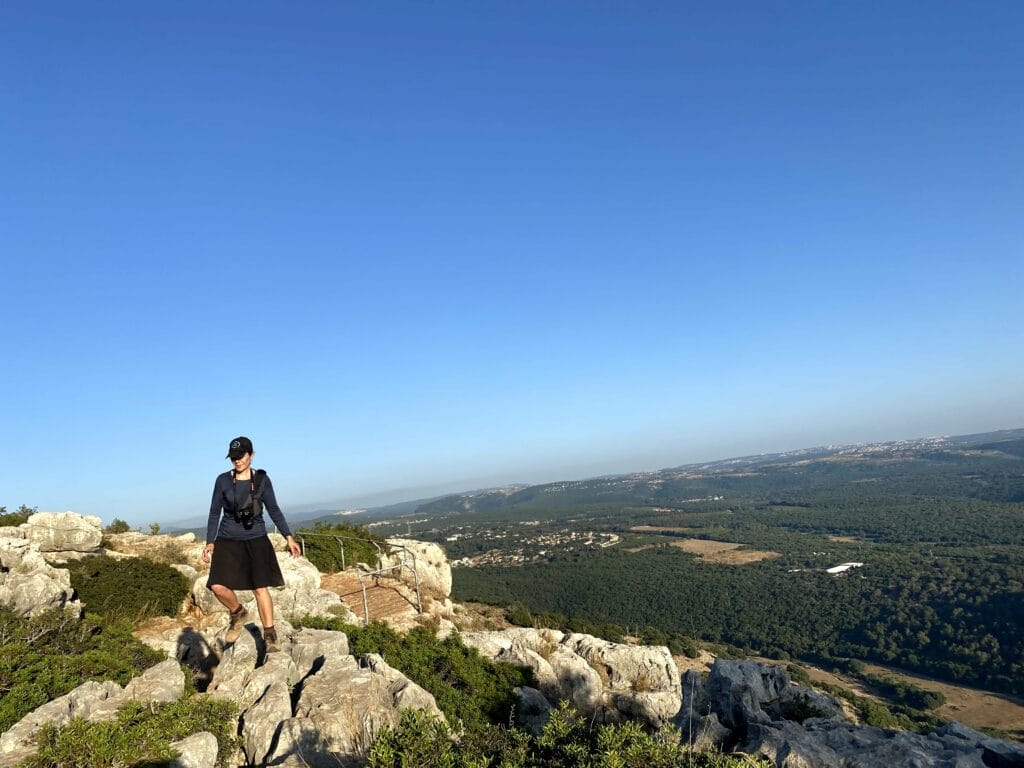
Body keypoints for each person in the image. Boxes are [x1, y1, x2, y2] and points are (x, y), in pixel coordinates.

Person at [202, 436, 301, 651]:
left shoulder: (263, 480)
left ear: (251, 455)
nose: (237, 461)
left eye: (241, 456)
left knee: (259, 588)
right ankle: (238, 613)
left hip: (256, 538)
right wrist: (210, 541)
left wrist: (289, 537)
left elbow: (274, 509)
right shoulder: (222, 481)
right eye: (233, 457)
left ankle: (270, 634)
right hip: (228, 538)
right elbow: (214, 512)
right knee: (217, 586)